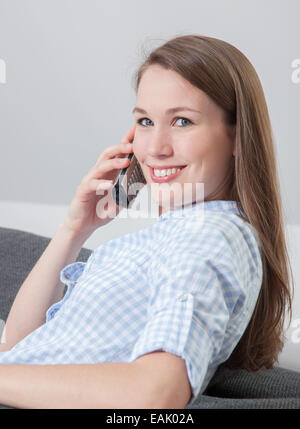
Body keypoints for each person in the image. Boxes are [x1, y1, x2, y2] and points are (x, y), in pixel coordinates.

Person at [0, 34, 294, 409]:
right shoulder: (173, 234)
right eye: (145, 121)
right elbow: (19, 349)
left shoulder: (207, 235)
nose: (155, 148)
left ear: (237, 136)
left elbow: (157, 392)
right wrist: (76, 227)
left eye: (182, 121)